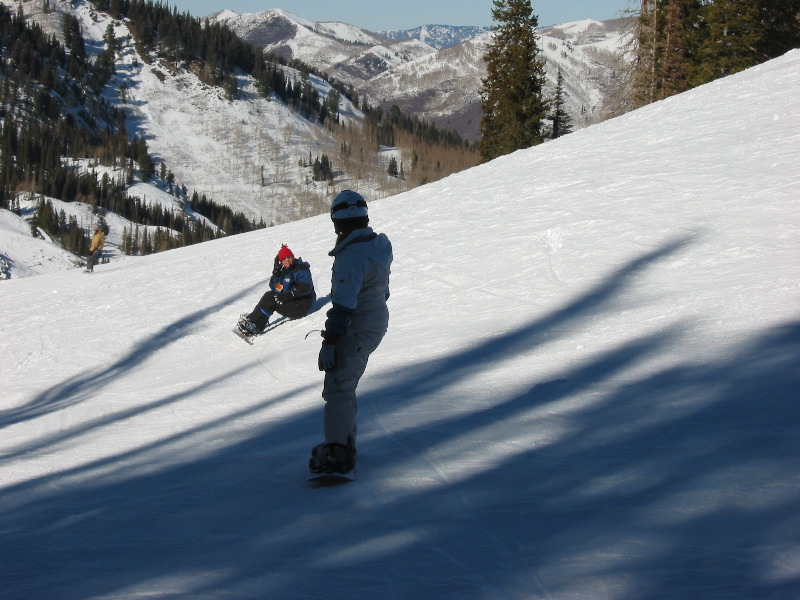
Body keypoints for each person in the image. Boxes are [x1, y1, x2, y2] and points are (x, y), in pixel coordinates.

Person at [309, 190, 393, 475]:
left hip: (357, 326)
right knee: (343, 384)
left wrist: (330, 342)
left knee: (338, 386)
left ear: (337, 222)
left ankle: (338, 453)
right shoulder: (376, 245)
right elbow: (381, 287)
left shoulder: (351, 257)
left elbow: (343, 305)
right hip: (373, 321)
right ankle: (342, 445)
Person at [237, 244, 316, 336]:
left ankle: (254, 323)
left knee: (270, 297)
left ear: (292, 257)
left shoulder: (300, 268)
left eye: (289, 257)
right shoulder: (285, 271)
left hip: (303, 305)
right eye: (283, 259)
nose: (287, 260)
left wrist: (289, 295)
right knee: (270, 296)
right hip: (293, 302)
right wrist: (276, 273)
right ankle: (255, 322)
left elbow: (305, 287)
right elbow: (276, 288)